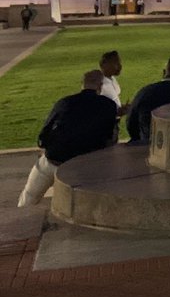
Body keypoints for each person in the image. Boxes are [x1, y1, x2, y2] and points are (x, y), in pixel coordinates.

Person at [17, 70, 116, 207]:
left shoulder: (64, 102)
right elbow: (109, 139)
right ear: (100, 86)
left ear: (82, 84)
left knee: (28, 197)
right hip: (82, 167)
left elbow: (43, 134)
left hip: (53, 159)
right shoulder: (108, 106)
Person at [99, 50, 128, 116]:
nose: (120, 66)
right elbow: (103, 112)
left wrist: (123, 107)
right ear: (105, 65)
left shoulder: (111, 78)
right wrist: (122, 111)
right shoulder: (101, 84)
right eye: (116, 63)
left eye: (119, 63)